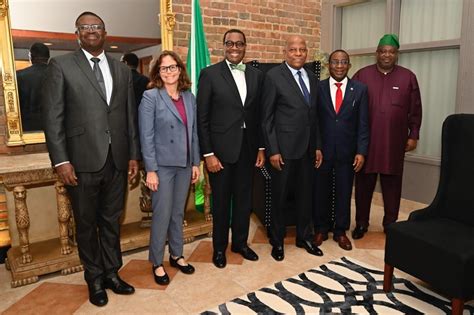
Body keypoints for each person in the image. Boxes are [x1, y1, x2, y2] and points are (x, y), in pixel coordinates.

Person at [42, 11, 140, 307]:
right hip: (81, 161)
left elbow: (129, 117)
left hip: (117, 160)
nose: (92, 31)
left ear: (105, 32)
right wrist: (61, 161)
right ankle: (94, 278)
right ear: (77, 33)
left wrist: (134, 155)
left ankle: (112, 273)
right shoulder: (60, 65)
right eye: (85, 27)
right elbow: (53, 117)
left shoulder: (121, 69)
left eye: (97, 26)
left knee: (112, 220)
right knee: (85, 224)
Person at [197, 29, 265, 268]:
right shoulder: (209, 75)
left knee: (244, 201)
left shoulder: (256, 76)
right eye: (230, 43)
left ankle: (240, 243)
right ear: (223, 46)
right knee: (222, 203)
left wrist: (260, 147)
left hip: (248, 150)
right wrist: (208, 154)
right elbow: (202, 117)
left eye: (239, 44)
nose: (234, 47)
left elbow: (258, 116)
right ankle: (219, 249)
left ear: (245, 46)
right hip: (221, 152)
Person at [352, 34, 422, 239]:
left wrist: (414, 134)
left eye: (391, 52)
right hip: (367, 143)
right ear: (377, 53)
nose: (386, 55)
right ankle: (361, 223)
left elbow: (415, 109)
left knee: (392, 185)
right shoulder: (362, 76)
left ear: (396, 55)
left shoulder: (408, 77)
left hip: (394, 142)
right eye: (383, 51)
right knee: (364, 185)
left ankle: (390, 223)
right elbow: (351, 109)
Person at [139, 51, 200, 285]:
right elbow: (147, 136)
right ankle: (157, 261)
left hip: (185, 164)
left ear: (180, 69)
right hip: (162, 167)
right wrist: (151, 170)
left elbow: (193, 132)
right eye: (164, 68)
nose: (169, 72)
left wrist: (195, 162)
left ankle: (177, 254)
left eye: (173, 67)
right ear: (158, 72)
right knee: (162, 215)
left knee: (178, 213)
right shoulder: (151, 97)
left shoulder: (188, 97)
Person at [261, 35, 323, 261]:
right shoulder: (273, 77)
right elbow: (266, 118)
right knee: (279, 197)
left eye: (302, 50)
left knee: (306, 196)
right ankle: (277, 242)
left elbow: (313, 117)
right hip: (283, 151)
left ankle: (304, 237)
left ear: (307, 52)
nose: (298, 53)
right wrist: (273, 150)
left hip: (307, 149)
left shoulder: (312, 77)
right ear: (285, 52)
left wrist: (317, 146)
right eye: (293, 49)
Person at [313, 50, 369, 251]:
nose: (339, 66)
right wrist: (317, 146)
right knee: (321, 191)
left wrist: (361, 151)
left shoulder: (360, 90)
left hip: (348, 151)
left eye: (343, 62)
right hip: (323, 152)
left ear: (349, 65)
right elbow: (315, 122)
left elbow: (363, 124)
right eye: (335, 62)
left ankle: (340, 231)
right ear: (328, 65)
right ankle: (321, 228)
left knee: (344, 192)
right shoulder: (318, 88)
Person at [17, 42, 50, 131]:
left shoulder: (18, 75)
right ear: (48, 57)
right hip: (53, 126)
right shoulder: (58, 74)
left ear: (30, 56)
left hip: (27, 127)